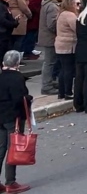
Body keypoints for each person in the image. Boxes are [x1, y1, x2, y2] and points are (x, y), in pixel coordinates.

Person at [0, 51, 31, 193]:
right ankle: (10, 182)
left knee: (1, 148)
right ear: (17, 63)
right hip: (13, 117)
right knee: (13, 148)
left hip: (1, 117)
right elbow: (19, 99)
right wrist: (29, 98)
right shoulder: (17, 78)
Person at [54, 0, 78, 102]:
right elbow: (77, 29)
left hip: (60, 44)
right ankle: (68, 92)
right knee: (68, 69)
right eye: (77, 4)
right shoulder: (70, 15)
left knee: (63, 69)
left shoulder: (61, 14)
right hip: (68, 45)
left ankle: (61, 92)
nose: (79, 6)